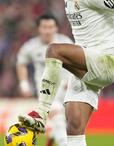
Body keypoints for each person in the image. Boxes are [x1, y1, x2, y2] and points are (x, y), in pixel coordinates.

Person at [18, 0, 114, 146]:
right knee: (74, 129)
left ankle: (41, 114)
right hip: (85, 69)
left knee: (54, 50)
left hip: (104, 62)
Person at [16, 13, 73, 146]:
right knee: (59, 120)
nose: (47, 30)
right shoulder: (31, 46)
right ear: (38, 28)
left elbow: (76, 63)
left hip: (66, 88)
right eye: (44, 27)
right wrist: (24, 85)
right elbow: (20, 63)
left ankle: (53, 135)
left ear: (56, 28)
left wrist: (72, 79)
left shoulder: (65, 43)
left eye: (50, 27)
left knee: (68, 126)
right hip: (46, 92)